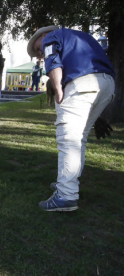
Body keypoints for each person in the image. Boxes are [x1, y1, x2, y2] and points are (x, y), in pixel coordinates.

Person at [27, 25, 115, 211]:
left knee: (69, 139)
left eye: (37, 49)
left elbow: (52, 59)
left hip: (79, 83)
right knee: (79, 138)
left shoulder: (52, 37)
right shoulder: (81, 37)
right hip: (107, 84)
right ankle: (69, 183)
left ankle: (66, 194)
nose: (40, 54)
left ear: (43, 35)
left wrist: (58, 87)